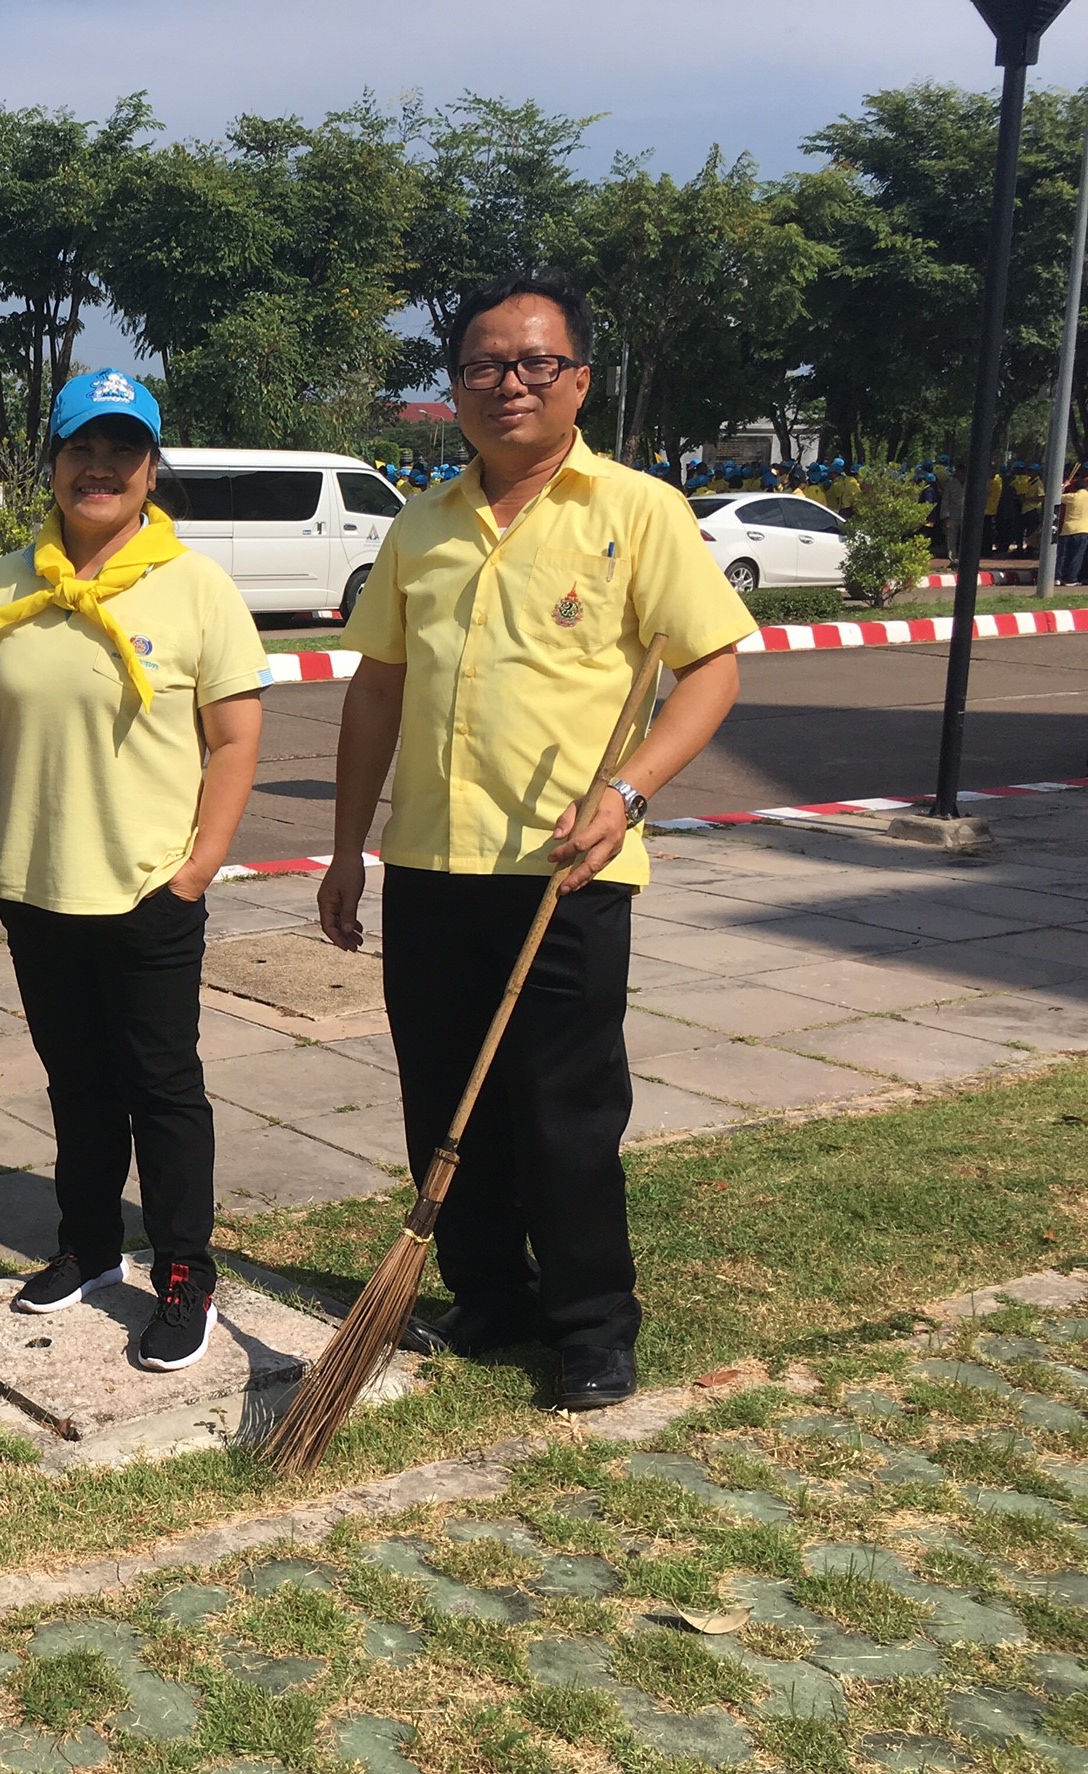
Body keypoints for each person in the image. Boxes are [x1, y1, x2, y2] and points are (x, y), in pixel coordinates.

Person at [319, 274, 753, 1411]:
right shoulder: (422, 524)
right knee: (441, 1096)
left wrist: (632, 790)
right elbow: (377, 691)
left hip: (570, 865)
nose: (507, 383)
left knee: (563, 1109)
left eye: (533, 364)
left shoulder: (637, 511)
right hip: (431, 861)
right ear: (455, 385)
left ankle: (590, 1325)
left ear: (579, 381)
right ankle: (489, 1295)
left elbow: (712, 666)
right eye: (481, 365)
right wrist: (345, 847)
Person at [0, 369, 269, 1372]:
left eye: (123, 451)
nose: (100, 467)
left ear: (150, 469)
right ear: (51, 460)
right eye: (82, 447)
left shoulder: (196, 588)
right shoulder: (6, 583)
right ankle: (87, 1246)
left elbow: (234, 736)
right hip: (38, 886)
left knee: (162, 1087)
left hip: (146, 889)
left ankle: (183, 1271)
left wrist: (199, 862)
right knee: (76, 1084)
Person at [1058, 468, 1088, 586]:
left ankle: (1058, 577)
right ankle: (1072, 579)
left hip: (1067, 529)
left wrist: (1064, 485)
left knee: (1063, 555)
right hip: (1083, 530)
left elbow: (1056, 495)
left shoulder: (1071, 497)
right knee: (1077, 556)